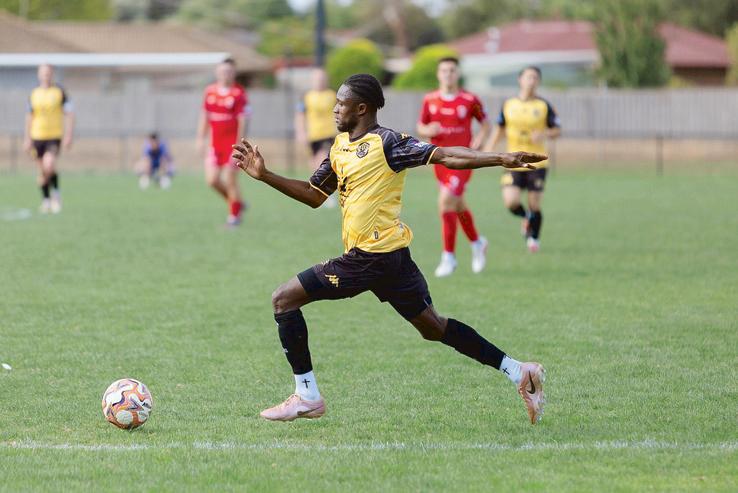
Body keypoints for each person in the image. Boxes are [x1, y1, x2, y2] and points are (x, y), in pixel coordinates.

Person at [231, 74, 547, 425]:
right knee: (433, 327)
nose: (334, 109)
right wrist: (265, 175)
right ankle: (519, 371)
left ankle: (307, 395)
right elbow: (313, 195)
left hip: (370, 258)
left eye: (341, 103)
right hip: (393, 258)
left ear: (361, 108)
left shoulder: (388, 143)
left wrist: (500, 157)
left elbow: (446, 156)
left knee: (283, 299)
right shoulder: (339, 147)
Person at [417, 57, 491, 277]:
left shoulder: (469, 99)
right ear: (438, 74)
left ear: (457, 74)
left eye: (452, 70)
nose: (448, 74)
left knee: (445, 201)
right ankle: (477, 243)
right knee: (457, 205)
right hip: (440, 160)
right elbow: (421, 125)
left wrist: (479, 141)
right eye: (444, 70)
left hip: (463, 159)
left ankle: (448, 257)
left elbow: (485, 124)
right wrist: (428, 129)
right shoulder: (430, 99)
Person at [485, 66, 561, 252]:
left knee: (535, 203)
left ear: (538, 81)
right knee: (511, 202)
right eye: (528, 77)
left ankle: (534, 239)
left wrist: (544, 134)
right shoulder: (509, 104)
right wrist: (488, 149)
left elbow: (557, 130)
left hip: (538, 162)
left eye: (535, 78)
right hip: (512, 160)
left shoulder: (544, 105)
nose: (531, 81)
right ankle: (526, 217)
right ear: (520, 80)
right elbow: (499, 129)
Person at [197, 58, 249, 226]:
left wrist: (239, 146)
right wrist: (200, 138)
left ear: (234, 73)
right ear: (217, 72)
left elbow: (243, 121)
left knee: (230, 179)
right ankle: (237, 203)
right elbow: (204, 116)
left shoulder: (239, 93)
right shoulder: (209, 92)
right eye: (222, 71)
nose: (225, 74)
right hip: (215, 144)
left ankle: (234, 217)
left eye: (228, 71)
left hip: (232, 144)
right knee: (212, 180)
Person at [24, 64, 75, 214]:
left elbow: (70, 114)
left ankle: (56, 196)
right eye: (43, 73)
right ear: (39, 75)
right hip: (37, 136)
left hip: (53, 136)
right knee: (42, 173)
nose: (45, 75)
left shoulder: (59, 92)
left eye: (48, 73)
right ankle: (46, 200)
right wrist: (27, 138)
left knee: (49, 164)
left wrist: (69, 135)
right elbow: (29, 116)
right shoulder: (34, 93)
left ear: (52, 74)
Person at [294, 67, 338, 208]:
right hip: (312, 135)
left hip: (328, 134)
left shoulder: (332, 95)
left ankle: (327, 193)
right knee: (314, 164)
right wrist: (301, 131)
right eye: (317, 79)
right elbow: (300, 115)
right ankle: (318, 191)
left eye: (322, 78)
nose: (319, 81)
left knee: (323, 160)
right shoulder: (306, 96)